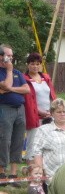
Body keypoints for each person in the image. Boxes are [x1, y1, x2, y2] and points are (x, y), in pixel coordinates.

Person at [32, 98, 65, 183]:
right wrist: (39, 171)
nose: (62, 114)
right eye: (59, 112)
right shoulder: (43, 130)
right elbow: (36, 152)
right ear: (52, 113)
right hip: (53, 178)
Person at [0, 44, 30, 180]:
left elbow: (26, 89)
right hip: (5, 108)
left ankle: (13, 172)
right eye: (8, 56)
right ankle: (2, 171)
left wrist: (10, 89)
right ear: (1, 56)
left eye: (12, 55)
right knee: (4, 139)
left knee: (18, 139)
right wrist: (9, 71)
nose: (11, 58)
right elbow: (5, 84)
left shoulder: (18, 73)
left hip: (20, 109)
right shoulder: (8, 72)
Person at [23, 52, 57, 162]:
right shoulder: (24, 79)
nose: (35, 66)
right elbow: (27, 101)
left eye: (38, 64)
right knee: (33, 142)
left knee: (49, 140)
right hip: (34, 115)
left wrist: (53, 110)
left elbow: (52, 95)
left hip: (49, 114)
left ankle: (44, 164)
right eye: (32, 64)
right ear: (28, 64)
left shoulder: (45, 78)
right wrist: (40, 112)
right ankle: (30, 166)